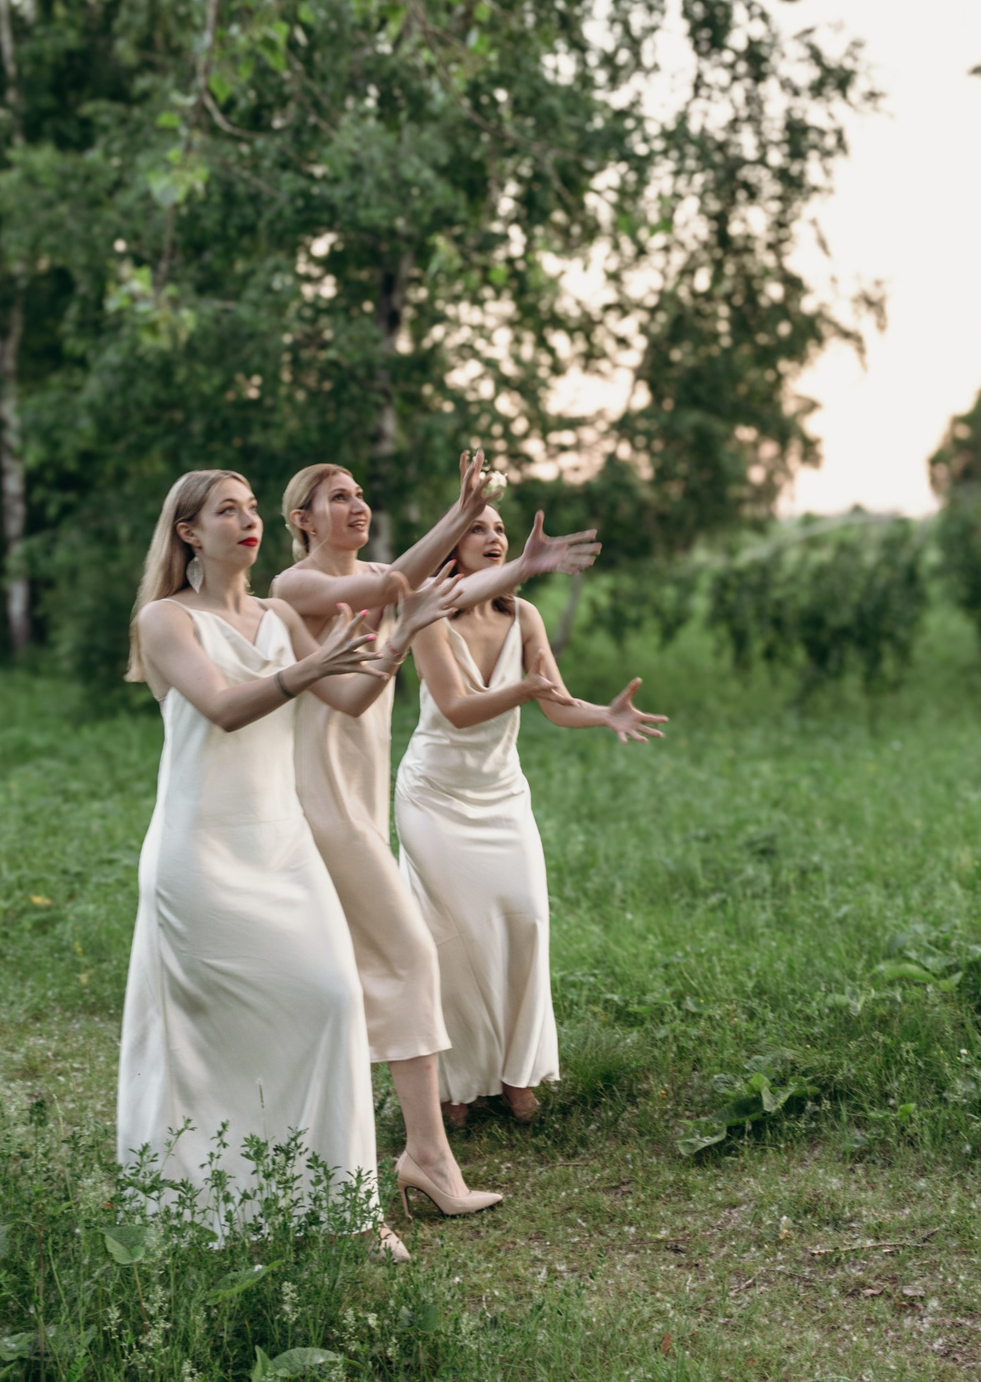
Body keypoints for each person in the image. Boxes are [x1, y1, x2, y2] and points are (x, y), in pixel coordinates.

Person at [118, 468, 446, 1256]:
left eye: (253, 506)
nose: (247, 518)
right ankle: (208, 1203)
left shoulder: (274, 614)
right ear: (190, 533)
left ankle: (348, 1212)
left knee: (333, 1001)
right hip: (201, 852)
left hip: (283, 843)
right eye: (227, 510)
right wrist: (308, 666)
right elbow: (227, 709)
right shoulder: (166, 620)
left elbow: (353, 696)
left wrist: (401, 629)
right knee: (214, 1034)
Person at [269, 452, 600, 1215]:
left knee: (353, 972)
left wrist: (520, 568)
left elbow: (437, 590)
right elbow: (400, 595)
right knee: (407, 957)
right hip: (316, 804)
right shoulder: (298, 587)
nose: (357, 505)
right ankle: (419, 1153)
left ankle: (389, 1144)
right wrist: (460, 515)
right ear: (301, 518)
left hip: (358, 802)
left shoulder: (380, 580)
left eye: (360, 494)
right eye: (339, 496)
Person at [397, 502, 668, 1125]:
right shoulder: (428, 614)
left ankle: (516, 1074)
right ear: (450, 545)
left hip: (501, 795)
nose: (493, 538)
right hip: (434, 795)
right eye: (477, 529)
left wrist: (604, 713)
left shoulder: (524, 613)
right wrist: (521, 689)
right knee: (450, 939)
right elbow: (459, 708)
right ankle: (457, 1084)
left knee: (524, 923)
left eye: (500, 529)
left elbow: (556, 703)